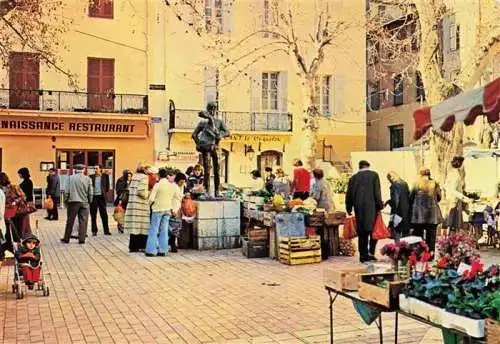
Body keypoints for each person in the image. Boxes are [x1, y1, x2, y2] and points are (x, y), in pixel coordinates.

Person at [345, 160, 383, 263]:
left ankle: (363, 255)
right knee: (373, 231)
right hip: (372, 208)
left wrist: (348, 208)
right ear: (368, 166)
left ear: (359, 167)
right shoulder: (374, 175)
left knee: (362, 233)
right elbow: (377, 192)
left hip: (359, 208)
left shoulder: (353, 178)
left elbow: (349, 194)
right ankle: (371, 253)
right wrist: (380, 205)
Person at [192, 102, 230, 195]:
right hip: (207, 147)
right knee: (207, 169)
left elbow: (227, 132)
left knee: (216, 169)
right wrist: (198, 144)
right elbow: (194, 134)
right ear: (208, 110)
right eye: (210, 109)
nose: (212, 111)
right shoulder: (203, 123)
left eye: (213, 109)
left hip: (215, 146)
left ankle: (216, 190)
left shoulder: (219, 122)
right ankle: (207, 190)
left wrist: (219, 135)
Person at [145, 169, 183, 256]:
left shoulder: (157, 185)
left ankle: (151, 250)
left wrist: (150, 204)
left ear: (158, 175)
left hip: (157, 209)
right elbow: (178, 196)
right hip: (167, 209)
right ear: (166, 176)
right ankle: (163, 250)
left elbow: (151, 199)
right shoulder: (172, 186)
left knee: (154, 229)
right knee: (164, 230)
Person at [409, 168, 442, 251]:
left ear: (420, 174)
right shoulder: (435, 183)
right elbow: (439, 197)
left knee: (417, 236)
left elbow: (410, 197)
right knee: (431, 237)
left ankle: (418, 254)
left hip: (418, 215)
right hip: (432, 215)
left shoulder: (416, 183)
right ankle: (430, 255)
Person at [61, 164, 93, 244]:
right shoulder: (88, 179)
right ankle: (82, 239)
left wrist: (65, 201)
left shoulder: (70, 178)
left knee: (70, 220)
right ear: (83, 170)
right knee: (83, 221)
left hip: (73, 201)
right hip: (84, 202)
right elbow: (90, 192)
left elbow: (67, 191)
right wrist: (90, 201)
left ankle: (66, 238)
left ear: (75, 169)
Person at [125, 164, 150, 253]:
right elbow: (141, 192)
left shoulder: (134, 177)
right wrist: (148, 193)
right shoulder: (144, 177)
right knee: (143, 226)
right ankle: (142, 246)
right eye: (147, 169)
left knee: (135, 226)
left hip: (133, 204)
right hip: (141, 205)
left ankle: (133, 247)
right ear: (144, 170)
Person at [444, 156, 470, 231]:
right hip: (454, 201)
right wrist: (463, 197)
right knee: (452, 223)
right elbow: (453, 189)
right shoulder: (455, 175)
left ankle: (450, 240)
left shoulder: (451, 173)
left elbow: (445, 186)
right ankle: (451, 240)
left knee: (451, 224)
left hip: (450, 199)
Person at [385, 171, 411, 241]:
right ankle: (406, 250)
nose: (389, 181)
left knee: (397, 233)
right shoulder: (405, 183)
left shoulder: (394, 186)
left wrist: (393, 212)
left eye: (389, 179)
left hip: (398, 212)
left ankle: (397, 250)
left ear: (391, 178)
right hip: (406, 212)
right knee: (406, 234)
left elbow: (395, 201)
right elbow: (408, 196)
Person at [89, 165, 111, 236]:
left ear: (100, 169)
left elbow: (107, 187)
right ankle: (94, 231)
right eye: (94, 168)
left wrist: (103, 193)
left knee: (104, 214)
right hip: (94, 198)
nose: (95, 170)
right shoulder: (91, 177)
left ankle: (106, 230)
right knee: (93, 215)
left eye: (97, 168)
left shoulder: (105, 176)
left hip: (102, 198)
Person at [169, 173, 187, 253]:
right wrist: (171, 209)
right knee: (173, 228)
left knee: (175, 228)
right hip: (173, 209)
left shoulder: (181, 187)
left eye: (183, 182)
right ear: (177, 180)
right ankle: (172, 245)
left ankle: (172, 244)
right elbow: (169, 198)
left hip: (178, 209)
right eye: (181, 182)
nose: (182, 183)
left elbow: (180, 196)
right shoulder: (173, 187)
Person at [17, 167, 33, 235]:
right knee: (25, 218)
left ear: (23, 174)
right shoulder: (27, 181)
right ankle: (27, 232)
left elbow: (26, 193)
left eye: (20, 174)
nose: (19, 175)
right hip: (27, 201)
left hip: (26, 202)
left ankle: (25, 233)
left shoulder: (27, 182)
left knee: (25, 218)